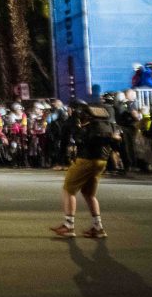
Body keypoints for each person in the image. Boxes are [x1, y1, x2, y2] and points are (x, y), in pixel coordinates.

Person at [50, 102, 116, 239]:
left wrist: (75, 125)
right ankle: (98, 227)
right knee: (89, 194)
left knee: (68, 190)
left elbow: (78, 139)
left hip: (86, 160)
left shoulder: (82, 124)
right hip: (101, 160)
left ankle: (68, 226)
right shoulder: (104, 123)